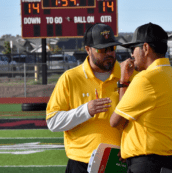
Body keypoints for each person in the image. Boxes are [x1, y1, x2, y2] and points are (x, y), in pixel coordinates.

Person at [46, 23, 125, 173]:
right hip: (81, 163)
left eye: (112, 48)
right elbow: (52, 122)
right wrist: (85, 111)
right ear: (88, 49)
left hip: (118, 162)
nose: (109, 53)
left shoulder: (127, 75)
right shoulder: (70, 78)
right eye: (102, 49)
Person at [110, 22, 172, 173]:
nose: (132, 54)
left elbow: (115, 121)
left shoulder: (146, 79)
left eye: (133, 49)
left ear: (145, 48)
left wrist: (123, 81)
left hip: (148, 164)